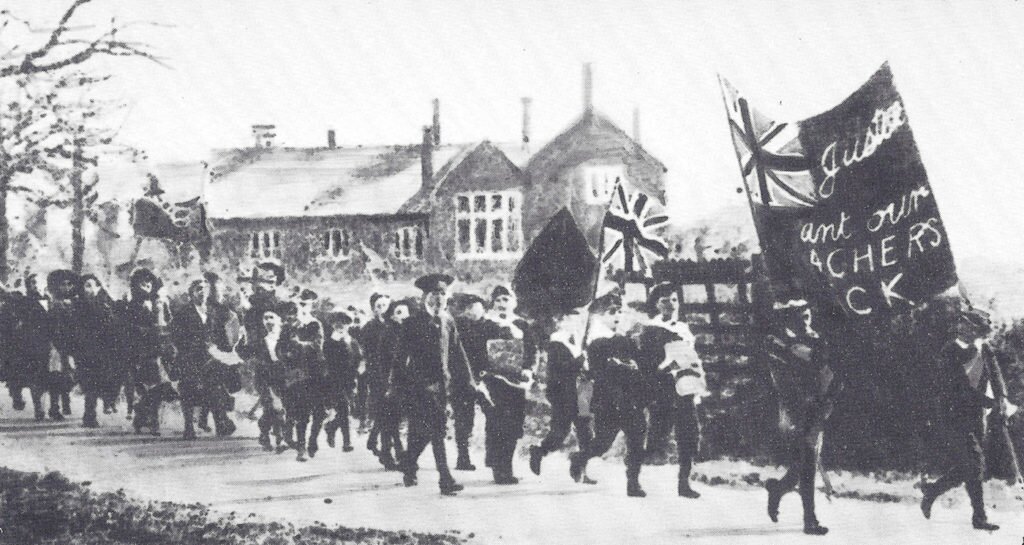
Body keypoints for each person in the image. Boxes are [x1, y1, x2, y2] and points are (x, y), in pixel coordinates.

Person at [921, 305, 1007, 532]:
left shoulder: (984, 350)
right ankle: (979, 517)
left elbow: (996, 376)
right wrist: (990, 402)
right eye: (962, 323)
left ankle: (933, 491)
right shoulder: (949, 351)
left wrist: (1002, 398)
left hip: (977, 417)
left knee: (971, 468)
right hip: (953, 417)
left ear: (977, 331)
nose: (962, 327)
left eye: (969, 325)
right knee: (974, 464)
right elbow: (959, 389)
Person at [396, 273, 480, 496]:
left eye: (443, 294)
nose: (440, 298)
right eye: (435, 294)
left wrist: (470, 382)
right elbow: (400, 359)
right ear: (425, 296)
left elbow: (457, 354)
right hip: (419, 387)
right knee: (436, 431)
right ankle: (445, 479)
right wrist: (403, 386)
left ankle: (409, 462)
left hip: (443, 387)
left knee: (422, 433)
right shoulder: (412, 323)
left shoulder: (447, 321)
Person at [762, 300, 836, 536]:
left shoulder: (815, 338)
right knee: (807, 462)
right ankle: (809, 520)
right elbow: (813, 360)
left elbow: (828, 369)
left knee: (804, 464)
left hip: (818, 406)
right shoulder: (776, 342)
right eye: (798, 317)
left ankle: (777, 489)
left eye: (807, 315)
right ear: (786, 319)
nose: (805, 321)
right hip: (793, 409)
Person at [569, 291, 651, 496]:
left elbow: (639, 366)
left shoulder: (627, 341)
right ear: (599, 316)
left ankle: (633, 482)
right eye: (611, 312)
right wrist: (620, 367)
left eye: (620, 311)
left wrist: (632, 367)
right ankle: (580, 458)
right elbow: (599, 374)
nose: (617, 316)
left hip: (631, 398)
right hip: (609, 401)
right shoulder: (596, 344)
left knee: (636, 438)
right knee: (602, 443)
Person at [637, 282, 703, 499]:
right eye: (665, 301)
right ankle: (632, 477)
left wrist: (694, 371)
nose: (671, 305)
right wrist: (667, 366)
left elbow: (691, 356)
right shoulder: (650, 329)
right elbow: (647, 365)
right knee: (656, 440)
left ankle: (684, 484)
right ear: (656, 304)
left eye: (674, 300)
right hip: (661, 389)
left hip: (685, 388)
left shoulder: (683, 328)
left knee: (689, 435)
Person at [529, 306, 594, 482]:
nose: (576, 323)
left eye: (579, 320)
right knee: (560, 432)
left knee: (586, 432)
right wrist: (581, 358)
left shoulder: (580, 340)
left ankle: (582, 470)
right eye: (571, 319)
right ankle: (539, 450)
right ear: (562, 322)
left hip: (582, 391)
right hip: (563, 393)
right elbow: (562, 368)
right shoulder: (556, 342)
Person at [480, 286, 534, 484]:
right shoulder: (486, 324)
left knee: (513, 425)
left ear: (514, 302)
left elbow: (531, 350)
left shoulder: (522, 325)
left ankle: (506, 466)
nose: (502, 304)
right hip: (494, 382)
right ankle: (497, 467)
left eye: (506, 299)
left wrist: (529, 369)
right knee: (496, 423)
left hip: (516, 382)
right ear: (492, 303)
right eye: (498, 300)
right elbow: (478, 352)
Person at [121, 268, 174, 436]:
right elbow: (128, 328)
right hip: (139, 352)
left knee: (159, 386)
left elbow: (168, 323)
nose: (147, 286)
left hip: (158, 350)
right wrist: (145, 330)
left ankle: (144, 416)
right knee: (147, 387)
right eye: (143, 283)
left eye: (149, 283)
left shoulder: (159, 303)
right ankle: (149, 419)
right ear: (136, 286)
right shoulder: (131, 306)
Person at [74, 274, 118, 427]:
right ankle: (89, 415)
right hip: (85, 350)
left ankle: (106, 403)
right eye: (87, 285)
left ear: (99, 287)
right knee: (90, 383)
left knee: (103, 379)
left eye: (93, 285)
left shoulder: (105, 303)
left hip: (104, 350)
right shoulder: (78, 305)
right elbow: (76, 329)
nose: (90, 289)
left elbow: (114, 323)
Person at [293, 289, 328, 458]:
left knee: (319, 412)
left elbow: (317, 345)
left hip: (316, 372)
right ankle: (301, 447)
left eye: (306, 304)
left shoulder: (315, 324)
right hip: (299, 373)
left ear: (311, 305)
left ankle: (313, 439)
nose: (302, 307)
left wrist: (299, 345)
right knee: (302, 412)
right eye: (300, 304)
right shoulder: (292, 325)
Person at [361, 292, 394, 461]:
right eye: (379, 306)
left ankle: (373, 439)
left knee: (387, 412)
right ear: (373, 309)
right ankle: (386, 454)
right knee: (385, 411)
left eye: (386, 305)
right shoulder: (369, 328)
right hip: (377, 375)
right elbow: (368, 354)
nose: (383, 309)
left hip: (393, 374)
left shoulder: (395, 325)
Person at [252, 305, 290, 452]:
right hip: (266, 380)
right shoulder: (260, 342)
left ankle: (264, 434)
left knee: (275, 410)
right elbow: (259, 364)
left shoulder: (286, 339)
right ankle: (280, 440)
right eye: (265, 318)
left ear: (279, 320)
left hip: (285, 379)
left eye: (271, 317)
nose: (268, 321)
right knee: (275, 408)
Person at [323, 310, 360, 453]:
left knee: (345, 410)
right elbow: (328, 358)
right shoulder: (330, 342)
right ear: (333, 325)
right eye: (337, 323)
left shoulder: (353, 341)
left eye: (344, 323)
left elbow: (358, 359)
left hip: (349, 381)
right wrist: (337, 341)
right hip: (334, 381)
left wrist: (356, 375)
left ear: (348, 325)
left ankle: (331, 427)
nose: (341, 325)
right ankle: (347, 442)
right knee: (344, 409)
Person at [46, 270, 79, 419]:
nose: (66, 288)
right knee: (56, 376)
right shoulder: (55, 304)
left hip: (71, 344)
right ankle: (54, 407)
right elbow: (53, 326)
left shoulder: (74, 303)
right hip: (57, 345)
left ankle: (65, 401)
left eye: (69, 284)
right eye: (63, 285)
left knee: (69, 375)